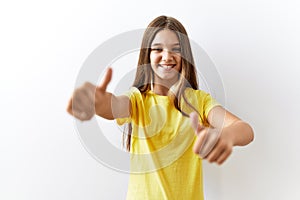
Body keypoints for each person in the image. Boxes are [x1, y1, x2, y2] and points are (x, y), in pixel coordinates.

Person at [66, 15, 254, 200]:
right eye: (158, 49)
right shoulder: (137, 100)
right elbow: (113, 106)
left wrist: (225, 135)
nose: (167, 56)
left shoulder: (199, 101)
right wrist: (96, 102)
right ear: (147, 55)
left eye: (176, 49)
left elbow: (245, 129)